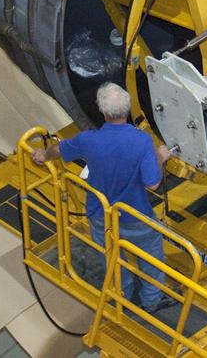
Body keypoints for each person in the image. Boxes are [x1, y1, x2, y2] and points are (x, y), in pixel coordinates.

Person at [32, 83, 173, 312]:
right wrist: (161, 156)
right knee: (151, 259)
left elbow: (59, 150)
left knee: (113, 257)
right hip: (135, 216)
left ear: (103, 111)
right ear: (127, 110)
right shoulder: (142, 142)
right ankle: (152, 300)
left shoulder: (88, 140)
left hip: (101, 215)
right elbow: (153, 183)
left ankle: (123, 296)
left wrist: (43, 155)